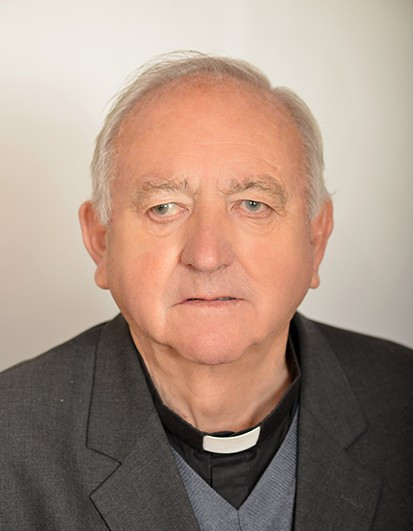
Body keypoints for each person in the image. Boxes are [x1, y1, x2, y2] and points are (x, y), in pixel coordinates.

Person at [0, 52, 412, 530]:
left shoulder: (402, 399)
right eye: (164, 207)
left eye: (253, 204)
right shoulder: (10, 438)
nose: (208, 255)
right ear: (101, 240)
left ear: (315, 239)